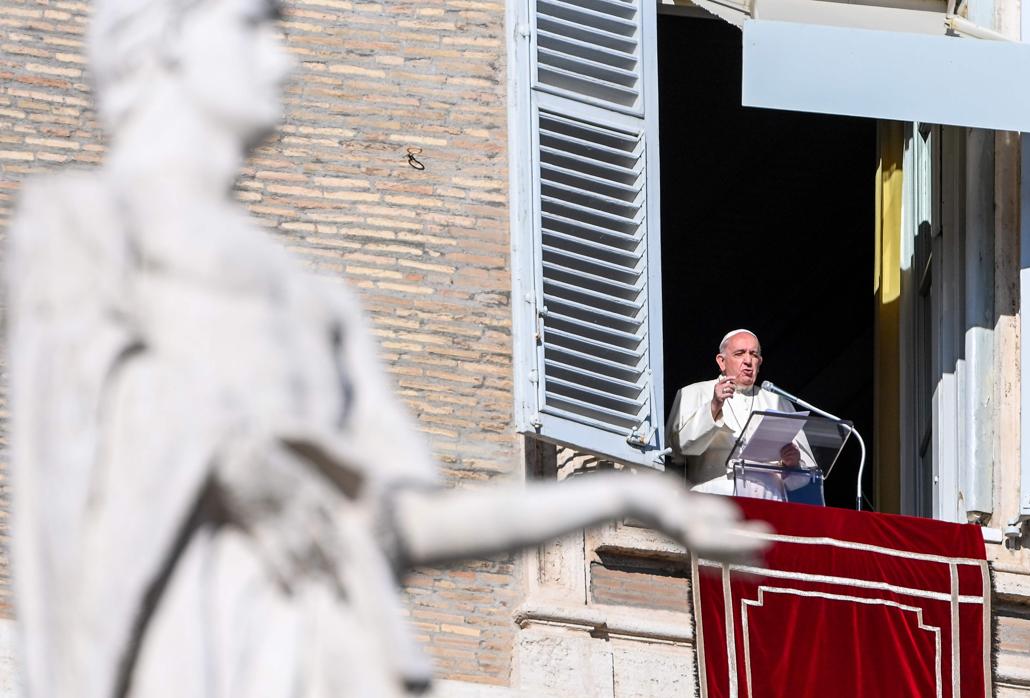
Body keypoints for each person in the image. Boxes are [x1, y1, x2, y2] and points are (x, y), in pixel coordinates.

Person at [6, 0, 769, 696]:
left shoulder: (315, 304)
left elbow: (405, 526)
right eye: (253, 28)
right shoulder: (78, 231)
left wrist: (624, 495)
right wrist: (244, 462)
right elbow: (78, 469)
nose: (285, 60)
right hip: (177, 659)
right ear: (164, 44)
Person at [666, 329, 816, 500]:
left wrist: (793, 464)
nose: (747, 361)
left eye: (753, 355)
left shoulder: (780, 403)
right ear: (721, 361)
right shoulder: (693, 393)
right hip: (714, 499)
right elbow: (680, 450)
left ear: (759, 362)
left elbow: (804, 479)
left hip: (771, 502)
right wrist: (714, 406)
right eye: (739, 354)